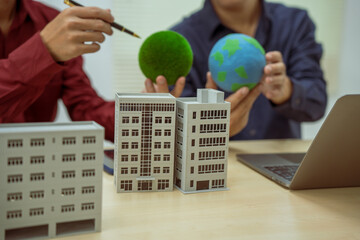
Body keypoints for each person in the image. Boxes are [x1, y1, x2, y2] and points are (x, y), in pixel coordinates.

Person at [144, 0, 327, 140]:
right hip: (219, 172)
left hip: (281, 171)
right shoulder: (180, 45)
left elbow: (317, 103)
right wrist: (206, 131)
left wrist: (285, 90)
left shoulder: (295, 24)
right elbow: (176, 131)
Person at [0, 0, 116, 141]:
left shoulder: (50, 20)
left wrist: (138, 113)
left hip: (40, 157)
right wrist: (42, 51)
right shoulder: (54, 29)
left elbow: (83, 106)